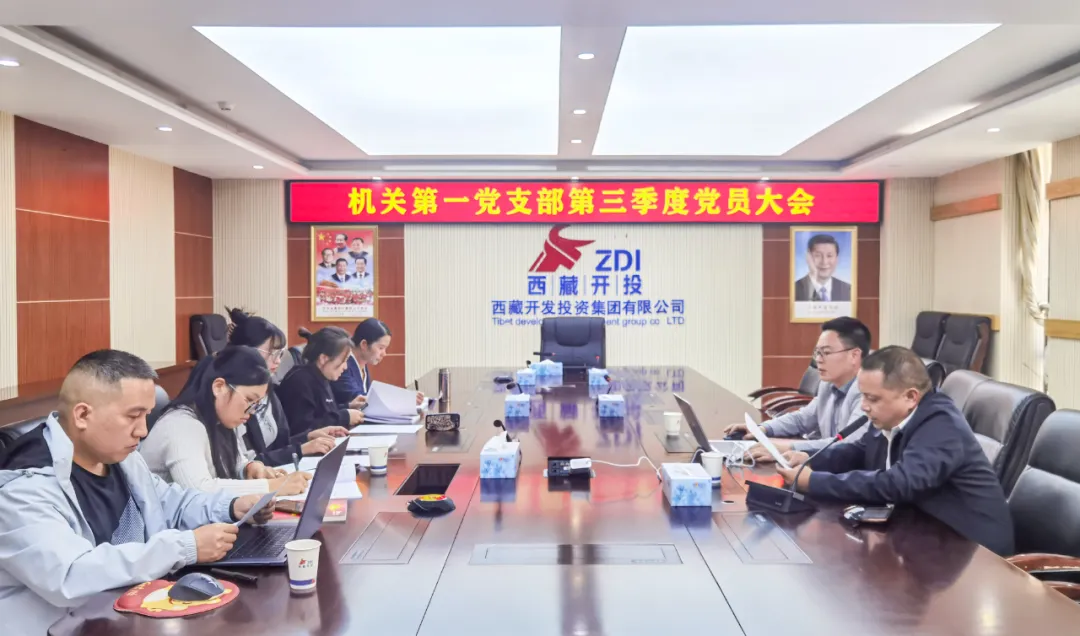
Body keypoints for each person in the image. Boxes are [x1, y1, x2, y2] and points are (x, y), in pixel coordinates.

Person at [0, 350, 274, 635]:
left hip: (128, 617)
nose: (142, 431)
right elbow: (71, 575)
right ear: (82, 415)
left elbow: (171, 503)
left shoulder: (121, 458)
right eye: (133, 416)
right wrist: (184, 547)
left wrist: (231, 506)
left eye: (146, 415)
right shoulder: (23, 490)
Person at [778, 346, 1014, 556]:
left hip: (974, 552)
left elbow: (899, 483)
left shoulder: (941, 425)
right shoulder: (891, 416)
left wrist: (814, 482)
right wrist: (811, 460)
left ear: (910, 397)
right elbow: (859, 451)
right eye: (863, 396)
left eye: (872, 398)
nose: (864, 406)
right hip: (923, 533)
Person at [140, 346, 311, 496]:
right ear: (219, 387)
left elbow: (234, 463)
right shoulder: (181, 424)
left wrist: (249, 469)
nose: (251, 411)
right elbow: (199, 489)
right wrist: (272, 486)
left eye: (256, 404)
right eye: (249, 400)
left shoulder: (220, 417)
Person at [724, 316, 870, 460]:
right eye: (817, 353)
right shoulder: (828, 384)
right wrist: (762, 429)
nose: (818, 359)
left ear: (854, 355)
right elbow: (803, 419)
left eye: (826, 352)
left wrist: (785, 448)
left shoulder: (867, 393)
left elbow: (847, 445)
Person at [225, 308, 347, 467]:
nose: (278, 361)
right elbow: (249, 464)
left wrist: (308, 437)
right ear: (246, 350)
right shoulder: (234, 397)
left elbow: (279, 445)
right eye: (272, 353)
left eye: (280, 354)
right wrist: (300, 449)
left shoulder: (268, 389)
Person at [279, 327, 365, 436]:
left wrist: (348, 406)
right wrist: (344, 417)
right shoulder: (300, 383)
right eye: (343, 361)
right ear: (324, 358)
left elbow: (323, 412)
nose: (345, 367)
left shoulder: (321, 376)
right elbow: (303, 430)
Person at [330, 319, 422, 409]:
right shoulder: (343, 365)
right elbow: (359, 399)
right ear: (364, 344)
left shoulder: (363, 362)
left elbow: (370, 396)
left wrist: (404, 397)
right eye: (381, 348)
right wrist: (403, 399)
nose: (384, 354)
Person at [794, 234, 852, 302]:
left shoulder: (848, 290)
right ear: (808, 257)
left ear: (837, 259)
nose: (824, 262)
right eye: (818, 255)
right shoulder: (793, 290)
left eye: (829, 256)